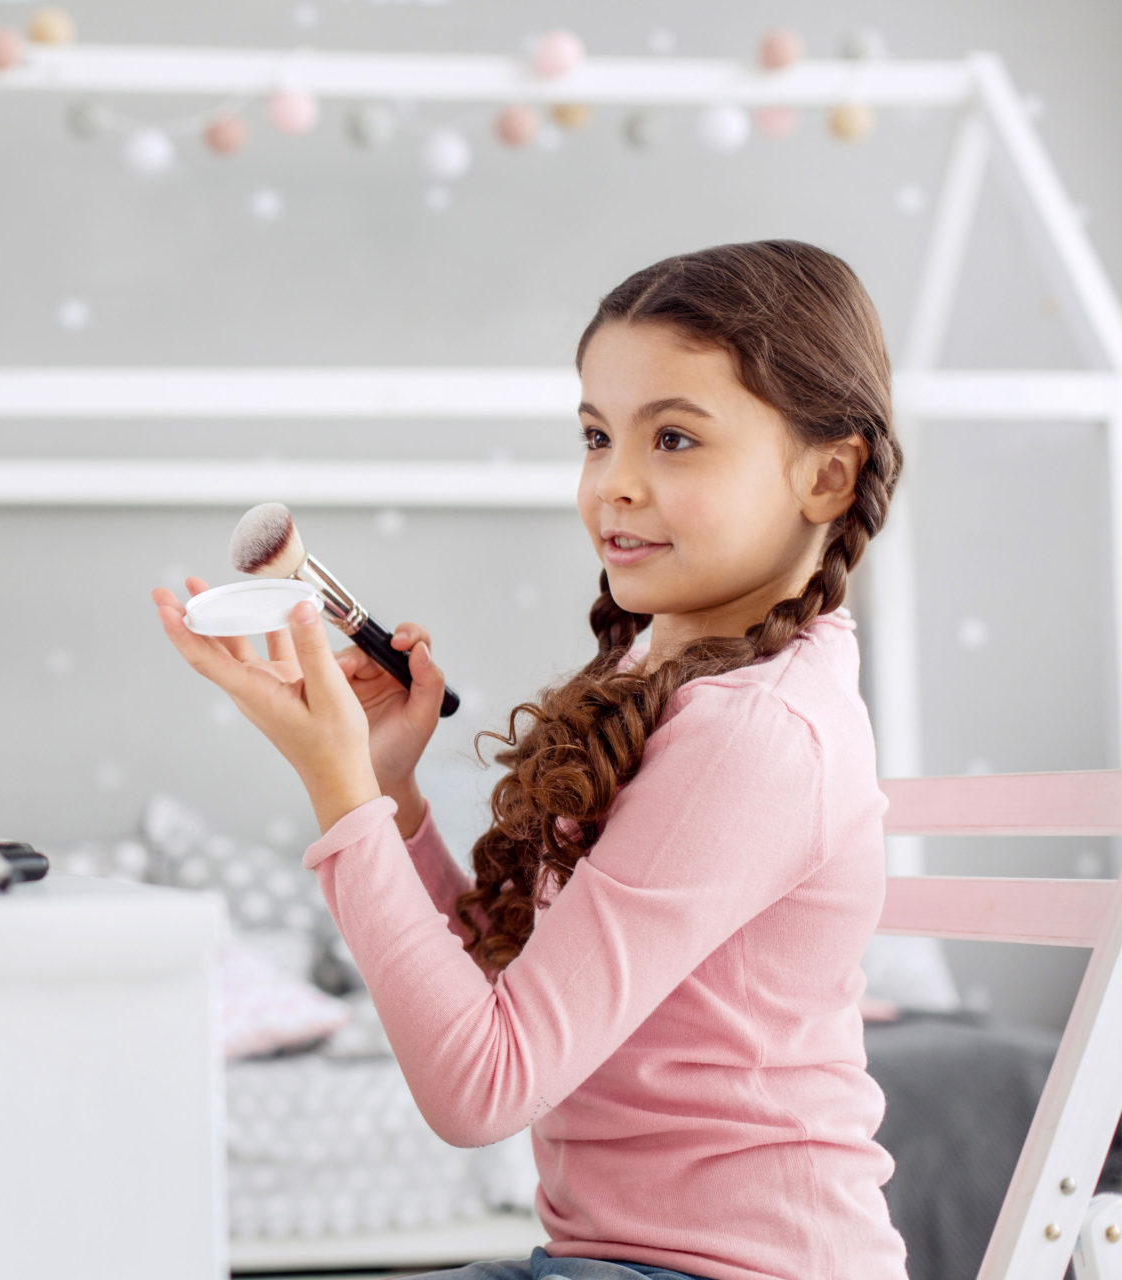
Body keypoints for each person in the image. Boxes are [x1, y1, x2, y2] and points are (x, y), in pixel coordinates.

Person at [152, 240, 911, 1280]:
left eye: (675, 438)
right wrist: (390, 794)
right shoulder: (690, 689)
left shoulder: (758, 733)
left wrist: (340, 799)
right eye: (599, 436)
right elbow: (514, 1000)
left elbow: (484, 1087)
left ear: (827, 474)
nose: (616, 484)